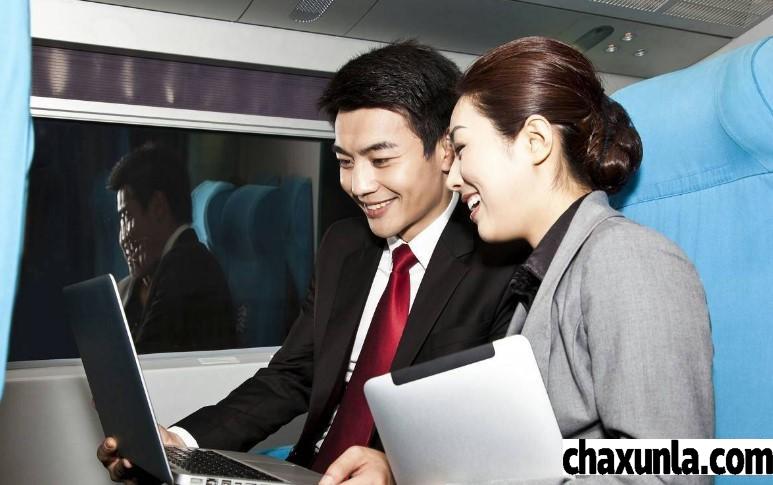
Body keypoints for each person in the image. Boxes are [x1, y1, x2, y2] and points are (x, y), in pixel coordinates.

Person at [98, 42, 524, 483]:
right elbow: (291, 375)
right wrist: (182, 441)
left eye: (381, 160)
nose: (359, 185)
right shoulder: (343, 245)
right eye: (345, 161)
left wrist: (400, 469)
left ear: (446, 151)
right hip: (307, 469)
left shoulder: (498, 265)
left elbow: (490, 432)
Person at [324, 36, 714, 484]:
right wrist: (398, 468)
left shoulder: (628, 259)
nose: (452, 178)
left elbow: (669, 475)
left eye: (462, 149)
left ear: (534, 142)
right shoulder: (544, 275)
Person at [108, 142, 237, 353]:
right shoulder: (154, 275)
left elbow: (144, 359)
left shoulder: (188, 267)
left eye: (126, 217)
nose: (123, 238)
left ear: (158, 207)